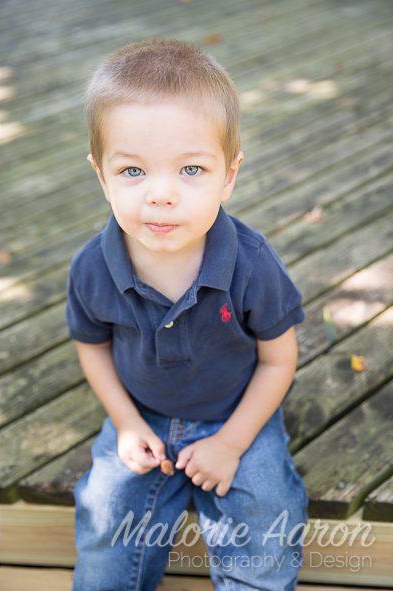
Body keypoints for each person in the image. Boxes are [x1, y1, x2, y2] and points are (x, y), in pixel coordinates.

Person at [66, 39, 308, 590]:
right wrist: (125, 422)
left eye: (191, 169)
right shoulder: (92, 267)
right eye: (132, 172)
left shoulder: (251, 265)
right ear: (101, 175)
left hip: (237, 412)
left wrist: (231, 443)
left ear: (229, 174)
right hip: (142, 412)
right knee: (104, 513)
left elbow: (278, 361)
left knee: (268, 516)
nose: (161, 195)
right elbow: (92, 343)